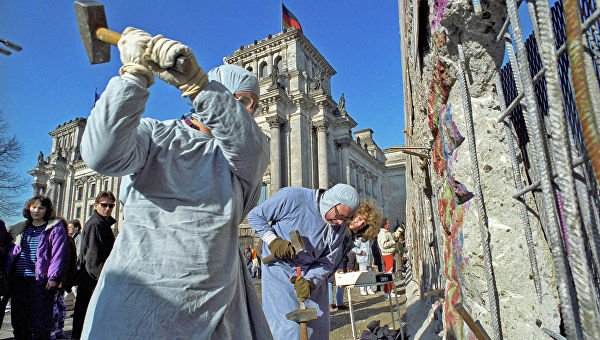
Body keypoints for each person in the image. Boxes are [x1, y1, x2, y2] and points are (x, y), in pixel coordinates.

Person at [78, 27, 271, 339]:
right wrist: (134, 76)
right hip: (134, 298)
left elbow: (244, 140)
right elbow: (101, 156)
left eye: (248, 102)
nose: (240, 108)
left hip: (213, 307)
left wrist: (198, 83)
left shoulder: (247, 155)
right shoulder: (155, 133)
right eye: (233, 98)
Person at [247, 183, 360, 339]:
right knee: (288, 329)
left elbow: (327, 261)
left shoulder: (339, 227)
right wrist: (273, 241)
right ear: (330, 201)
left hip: (311, 273)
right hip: (281, 270)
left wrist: (310, 281)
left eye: (346, 218)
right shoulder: (293, 197)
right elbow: (255, 216)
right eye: (340, 216)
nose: (341, 222)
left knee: (318, 328)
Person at [6, 195, 69, 339]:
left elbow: (59, 255)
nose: (36, 210)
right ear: (29, 208)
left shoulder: (54, 229)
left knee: (40, 319)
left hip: (39, 280)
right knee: (19, 318)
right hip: (19, 278)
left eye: (41, 208)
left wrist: (53, 277)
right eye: (34, 207)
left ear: (47, 210)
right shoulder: (22, 228)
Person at [71, 191, 117, 339]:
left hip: (92, 277)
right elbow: (93, 256)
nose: (108, 209)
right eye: (104, 205)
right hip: (92, 279)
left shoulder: (102, 223)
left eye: (111, 206)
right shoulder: (95, 224)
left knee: (88, 314)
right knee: (86, 314)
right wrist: (102, 278)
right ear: (95, 205)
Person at [377, 218, 398, 298]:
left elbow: (393, 236)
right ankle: (388, 291)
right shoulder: (382, 233)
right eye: (388, 223)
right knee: (389, 273)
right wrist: (393, 242)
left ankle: (388, 291)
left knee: (389, 272)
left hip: (389, 254)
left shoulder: (387, 232)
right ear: (384, 224)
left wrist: (399, 231)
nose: (389, 224)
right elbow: (384, 245)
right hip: (387, 254)